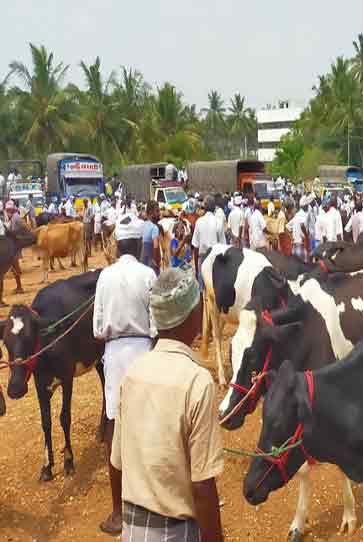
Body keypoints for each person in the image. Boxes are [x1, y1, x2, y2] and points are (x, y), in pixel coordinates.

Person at [111, 268, 224, 541]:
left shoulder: (133, 373)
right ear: (193, 318)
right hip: (175, 531)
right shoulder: (197, 382)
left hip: (132, 527)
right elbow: (203, 487)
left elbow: (116, 462)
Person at [93, 214, 158, 535]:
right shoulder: (149, 274)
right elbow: (157, 325)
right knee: (147, 428)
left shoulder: (105, 277)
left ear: (118, 245)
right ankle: (149, 506)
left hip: (115, 356)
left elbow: (96, 329)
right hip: (145, 352)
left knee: (115, 432)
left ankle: (118, 513)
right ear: (139, 244)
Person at [191, 196, 226, 278]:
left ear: (204, 207)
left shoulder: (199, 222)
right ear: (214, 208)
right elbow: (223, 247)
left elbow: (195, 247)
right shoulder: (218, 222)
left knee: (203, 288)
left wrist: (196, 269)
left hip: (203, 260)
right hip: (215, 261)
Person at [3, 201, 25, 294]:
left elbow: (14, 233)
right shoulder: (15, 217)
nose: (7, 212)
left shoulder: (15, 218)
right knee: (15, 267)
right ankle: (19, 287)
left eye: (8, 210)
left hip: (14, 247)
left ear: (10, 210)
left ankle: (19, 288)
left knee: (15, 267)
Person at [140, 201, 161, 275]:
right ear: (151, 213)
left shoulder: (142, 225)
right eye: (157, 211)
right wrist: (156, 262)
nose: (159, 214)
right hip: (151, 264)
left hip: (142, 264)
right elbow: (155, 246)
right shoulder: (154, 227)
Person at [288, 196, 310, 261]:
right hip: (301, 246)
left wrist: (291, 237)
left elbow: (287, 227)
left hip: (294, 246)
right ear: (304, 206)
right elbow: (302, 225)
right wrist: (306, 236)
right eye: (307, 205)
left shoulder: (297, 215)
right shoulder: (304, 215)